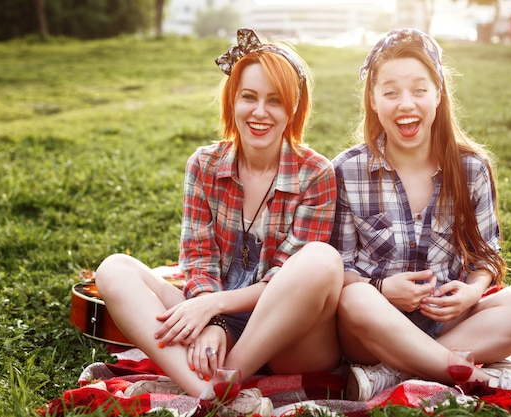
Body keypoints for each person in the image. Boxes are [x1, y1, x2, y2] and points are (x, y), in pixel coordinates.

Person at [95, 28, 343, 416]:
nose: (259, 112)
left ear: (294, 109)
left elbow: (284, 279)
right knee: (115, 269)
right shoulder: (205, 164)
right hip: (212, 314)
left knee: (322, 259)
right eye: (249, 97)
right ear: (233, 100)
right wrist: (211, 316)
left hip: (286, 337)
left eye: (275, 101)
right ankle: (214, 396)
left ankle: (225, 375)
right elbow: (198, 259)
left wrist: (215, 315)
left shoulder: (316, 174)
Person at [329, 28, 511, 401]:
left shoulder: (471, 168)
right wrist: (382, 289)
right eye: (391, 92)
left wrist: (471, 292)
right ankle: (475, 376)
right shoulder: (346, 170)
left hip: (447, 323)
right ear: (374, 100)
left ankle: (396, 373)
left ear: (439, 93)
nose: (405, 103)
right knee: (355, 299)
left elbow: (486, 257)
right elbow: (339, 270)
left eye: (419, 89)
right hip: (372, 328)